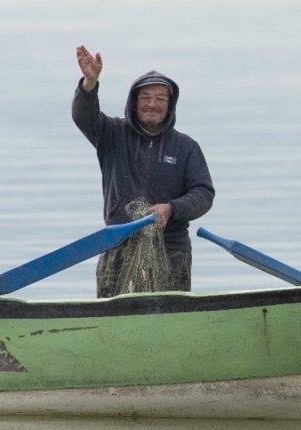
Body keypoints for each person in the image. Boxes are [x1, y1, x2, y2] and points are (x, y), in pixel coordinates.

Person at [72, 45, 215, 298]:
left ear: (170, 105)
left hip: (172, 250)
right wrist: (89, 83)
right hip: (118, 246)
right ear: (134, 102)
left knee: (172, 321)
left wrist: (171, 208)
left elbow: (203, 194)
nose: (152, 104)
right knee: (111, 323)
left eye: (160, 99)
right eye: (145, 97)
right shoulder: (111, 135)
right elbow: (84, 116)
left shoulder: (186, 147)